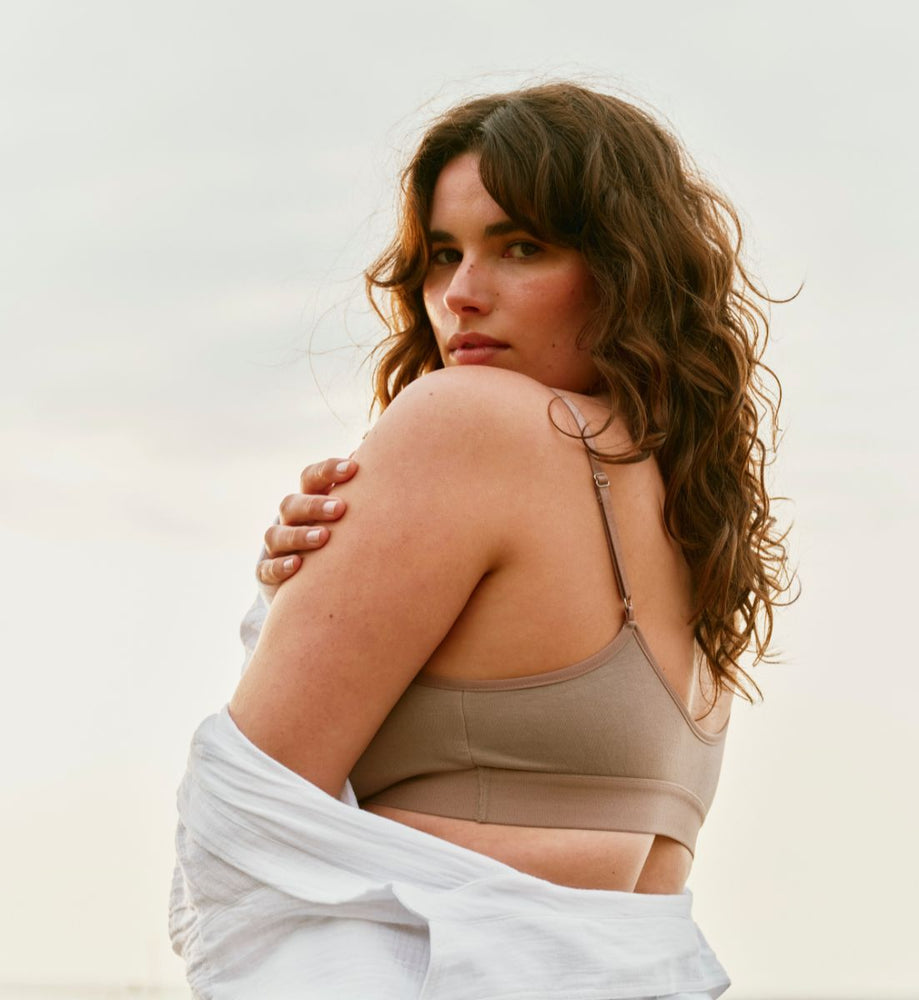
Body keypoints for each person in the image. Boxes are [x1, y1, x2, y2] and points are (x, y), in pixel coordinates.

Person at [171, 82, 791, 999]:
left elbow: (242, 819)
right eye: (441, 255)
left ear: (627, 267)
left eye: (522, 248)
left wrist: (277, 609)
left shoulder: (465, 422)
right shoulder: (697, 513)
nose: (460, 296)